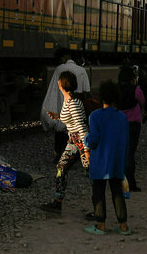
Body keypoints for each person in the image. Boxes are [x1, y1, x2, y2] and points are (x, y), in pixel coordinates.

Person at [83, 80, 131, 236]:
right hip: (117, 161)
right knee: (117, 192)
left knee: (98, 191)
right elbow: (126, 140)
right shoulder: (122, 117)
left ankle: (101, 225)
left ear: (101, 98)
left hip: (100, 162)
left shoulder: (95, 116)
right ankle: (123, 226)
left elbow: (94, 139)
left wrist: (86, 139)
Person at [40, 71, 89, 214]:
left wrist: (86, 150)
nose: (57, 82)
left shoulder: (72, 103)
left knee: (90, 172)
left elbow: (80, 126)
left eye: (59, 81)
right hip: (74, 141)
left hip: (79, 142)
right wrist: (59, 117)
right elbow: (73, 120)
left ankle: (99, 209)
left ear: (62, 84)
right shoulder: (71, 100)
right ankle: (57, 202)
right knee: (61, 167)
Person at [41, 49, 91, 163]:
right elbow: (87, 91)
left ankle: (60, 154)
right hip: (77, 108)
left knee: (61, 130)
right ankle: (79, 157)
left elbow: (53, 90)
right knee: (77, 128)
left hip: (64, 106)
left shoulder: (59, 69)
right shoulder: (82, 70)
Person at [117, 66, 146, 191]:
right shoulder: (136, 90)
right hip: (134, 123)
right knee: (130, 153)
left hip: (119, 123)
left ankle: (119, 182)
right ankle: (131, 183)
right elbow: (142, 101)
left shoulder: (116, 90)